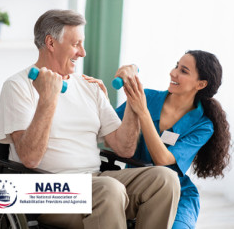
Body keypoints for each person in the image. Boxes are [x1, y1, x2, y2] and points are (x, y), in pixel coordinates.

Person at [0, 9, 180, 229]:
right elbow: (30, 158)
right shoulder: (17, 86)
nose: (83, 53)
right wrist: (48, 100)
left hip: (95, 182)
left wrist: (133, 99)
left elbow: (124, 148)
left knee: (165, 179)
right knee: (109, 190)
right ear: (51, 43)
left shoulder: (88, 86)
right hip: (45, 192)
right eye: (76, 44)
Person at [96, 50, 230, 229]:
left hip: (178, 192)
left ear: (201, 84)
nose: (173, 73)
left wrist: (142, 112)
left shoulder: (203, 126)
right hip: (137, 184)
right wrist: (102, 100)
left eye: (183, 71)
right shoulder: (148, 97)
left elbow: (163, 160)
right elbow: (109, 131)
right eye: (176, 66)